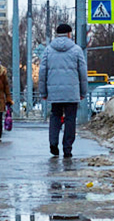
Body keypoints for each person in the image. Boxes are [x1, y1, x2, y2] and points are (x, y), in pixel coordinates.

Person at [38, 23, 88, 158]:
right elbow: (83, 73)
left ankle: (53, 143)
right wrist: (83, 92)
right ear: (69, 34)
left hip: (54, 92)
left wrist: (43, 92)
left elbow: (42, 72)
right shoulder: (77, 50)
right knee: (70, 119)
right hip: (72, 91)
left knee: (55, 116)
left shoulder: (48, 50)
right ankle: (67, 149)